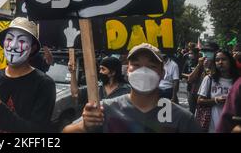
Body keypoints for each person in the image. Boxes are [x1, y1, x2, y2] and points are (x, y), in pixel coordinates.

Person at [63, 43, 201, 133]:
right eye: (136, 64)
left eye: (152, 66)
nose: (144, 71)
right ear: (127, 71)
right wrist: (85, 126)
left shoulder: (182, 119)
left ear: (162, 73)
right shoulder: (105, 110)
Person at [0, 17, 56, 133]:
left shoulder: (44, 84)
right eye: (9, 39)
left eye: (22, 41)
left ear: (32, 48)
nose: (13, 46)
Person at [197, 50, 239, 133]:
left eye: (224, 59)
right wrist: (216, 100)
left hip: (232, 125)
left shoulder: (237, 81)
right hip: (212, 125)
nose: (220, 62)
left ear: (230, 61)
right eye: (217, 60)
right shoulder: (209, 79)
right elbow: (200, 101)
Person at [182, 46, 200, 113]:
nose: (190, 55)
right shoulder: (188, 62)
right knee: (191, 109)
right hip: (190, 88)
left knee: (200, 110)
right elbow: (182, 74)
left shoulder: (201, 63)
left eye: (191, 53)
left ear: (197, 54)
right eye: (189, 53)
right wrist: (190, 76)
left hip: (200, 90)